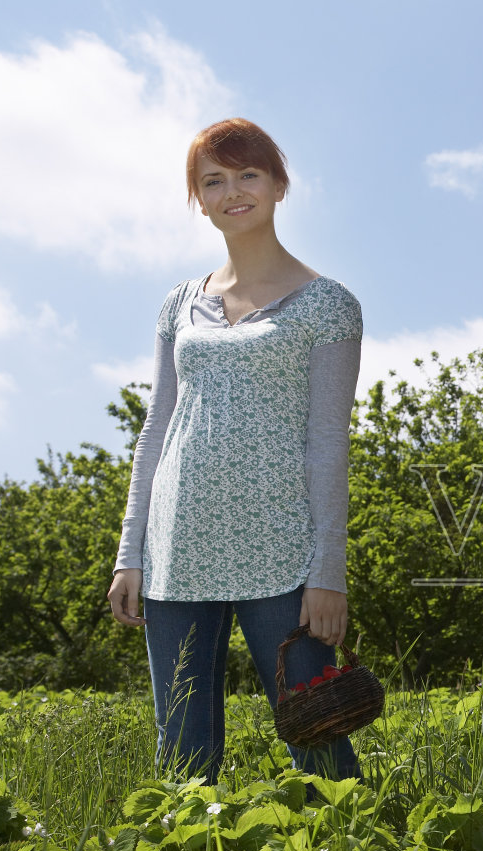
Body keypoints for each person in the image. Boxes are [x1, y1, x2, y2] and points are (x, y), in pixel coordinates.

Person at [107, 118, 363, 786]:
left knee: (319, 742)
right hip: (177, 548)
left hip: (282, 552)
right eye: (212, 180)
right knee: (182, 757)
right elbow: (156, 428)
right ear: (198, 198)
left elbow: (328, 441)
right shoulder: (178, 306)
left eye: (247, 174)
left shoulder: (329, 305)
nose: (232, 191)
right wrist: (130, 552)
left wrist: (327, 569)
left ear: (279, 185)